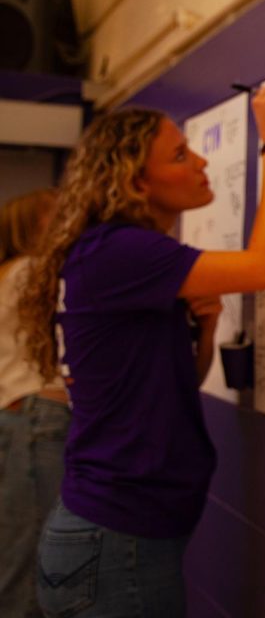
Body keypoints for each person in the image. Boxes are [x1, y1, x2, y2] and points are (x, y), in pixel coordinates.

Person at [18, 86, 265, 617]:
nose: (200, 161)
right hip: (114, 543)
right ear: (136, 182)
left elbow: (175, 385)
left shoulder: (116, 255)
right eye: (179, 155)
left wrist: (208, 327)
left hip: (114, 537)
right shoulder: (120, 250)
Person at [0, 188, 69, 618]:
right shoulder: (32, 271)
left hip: (20, 418)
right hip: (35, 419)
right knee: (30, 562)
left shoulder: (9, 272)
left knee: (19, 550)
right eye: (60, 216)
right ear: (33, 227)